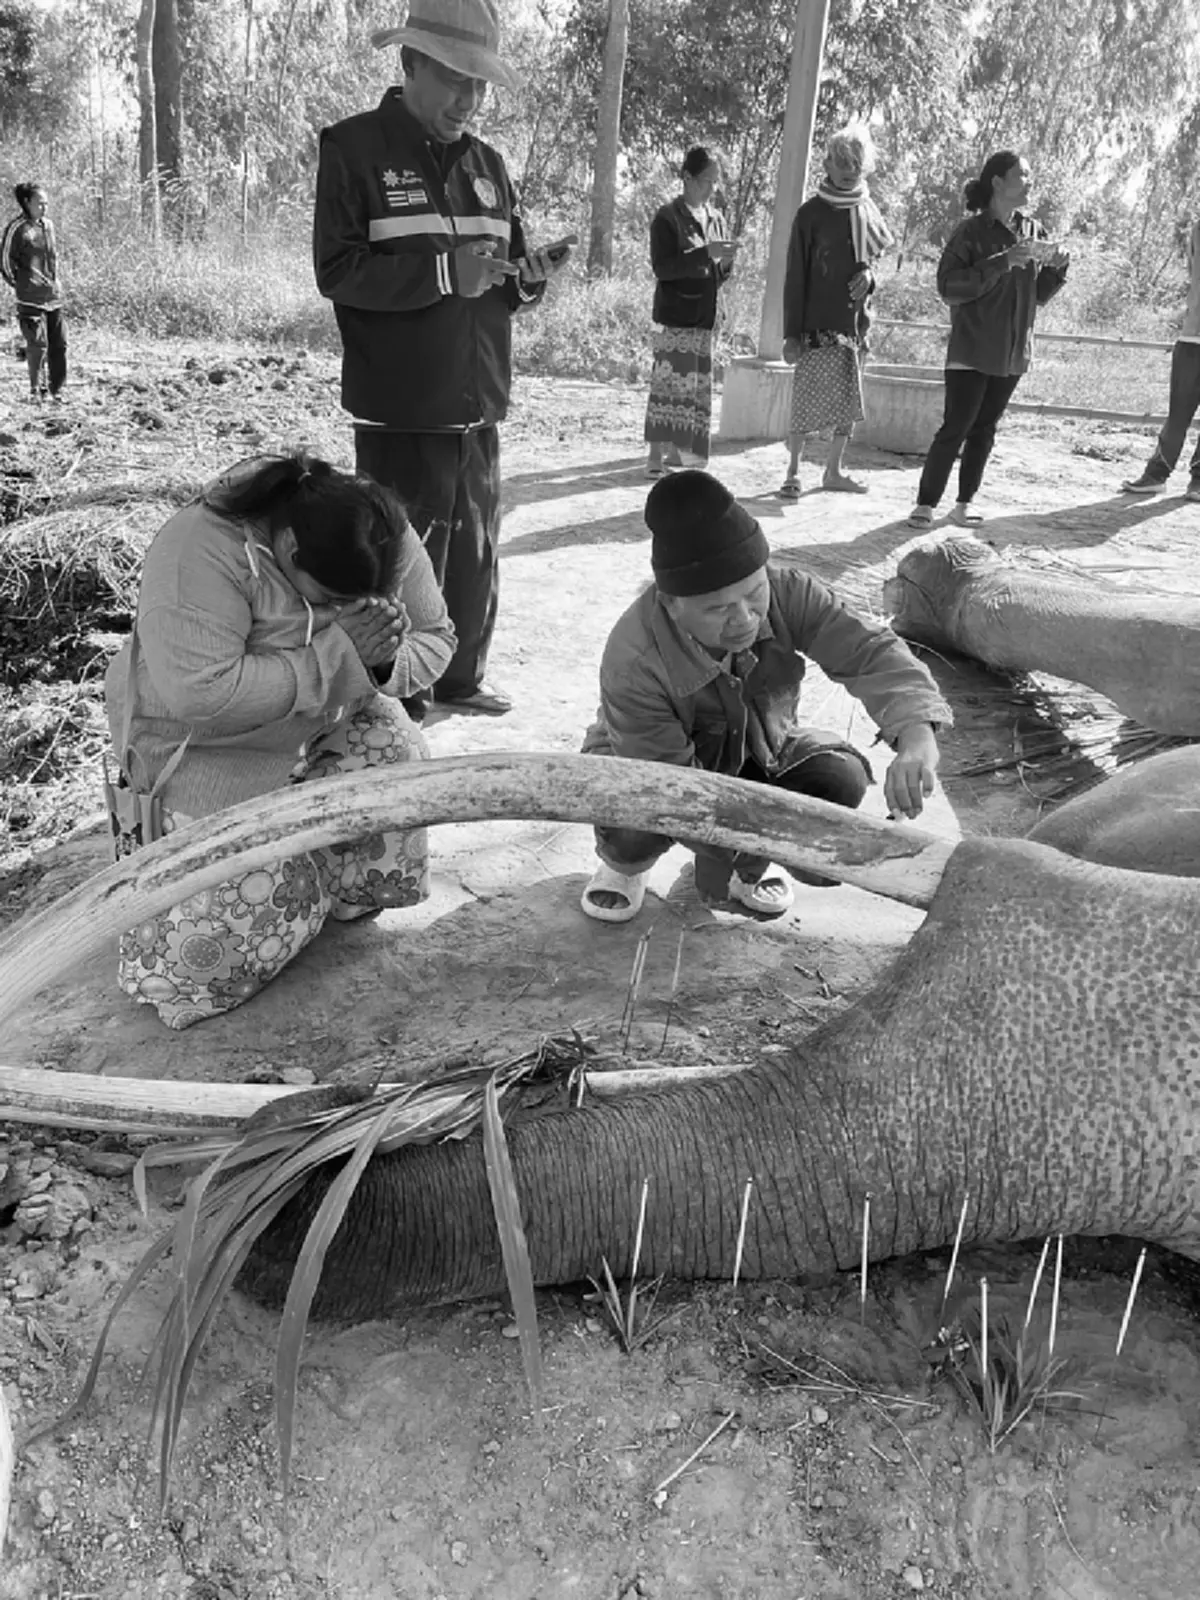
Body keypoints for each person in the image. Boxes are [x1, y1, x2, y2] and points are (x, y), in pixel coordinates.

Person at [103, 452, 456, 1031]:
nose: (348, 612)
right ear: (289, 548)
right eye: (331, 599)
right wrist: (342, 654)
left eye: (367, 601)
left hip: (321, 725)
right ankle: (290, 885)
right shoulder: (198, 548)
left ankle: (323, 884)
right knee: (202, 957)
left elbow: (436, 638)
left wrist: (384, 659)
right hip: (209, 754)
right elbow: (202, 694)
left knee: (395, 754)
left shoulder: (382, 532)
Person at [313, 0, 569, 722]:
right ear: (410, 65)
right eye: (455, 77)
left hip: (479, 396)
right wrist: (442, 275)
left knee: (478, 547)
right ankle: (406, 690)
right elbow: (337, 270)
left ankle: (461, 677)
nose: (469, 98)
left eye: (480, 84)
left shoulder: (489, 165)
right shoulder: (355, 148)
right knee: (403, 552)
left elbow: (498, 285)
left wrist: (527, 279)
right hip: (402, 402)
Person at [579, 470, 951, 923]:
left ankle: (750, 865)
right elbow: (675, 791)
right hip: (651, 765)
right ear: (671, 604)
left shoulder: (789, 590)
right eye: (717, 608)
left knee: (839, 779)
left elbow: (869, 652)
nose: (744, 619)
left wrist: (916, 735)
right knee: (633, 813)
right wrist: (735, 857)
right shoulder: (633, 660)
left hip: (760, 744)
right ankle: (624, 866)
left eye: (754, 592)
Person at [907, 152, 1069, 529]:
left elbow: (1038, 295)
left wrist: (1059, 270)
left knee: (985, 429)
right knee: (956, 427)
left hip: (1012, 352)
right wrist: (1002, 261)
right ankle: (925, 504)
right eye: (1022, 174)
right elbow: (948, 287)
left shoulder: (1034, 232)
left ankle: (965, 503)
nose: (1029, 181)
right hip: (971, 349)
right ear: (997, 181)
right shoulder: (971, 233)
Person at [778, 126, 893, 499]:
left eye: (856, 164)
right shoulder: (810, 215)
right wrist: (791, 334)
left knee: (848, 402)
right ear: (827, 162)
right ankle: (793, 471)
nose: (848, 169)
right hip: (816, 324)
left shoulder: (867, 210)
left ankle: (833, 470)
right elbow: (795, 276)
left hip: (855, 325)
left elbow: (875, 263)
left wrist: (869, 278)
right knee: (806, 398)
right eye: (842, 162)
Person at [644, 146, 738, 478]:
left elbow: (718, 274)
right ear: (687, 178)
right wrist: (705, 254)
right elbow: (664, 268)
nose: (712, 189)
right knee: (668, 385)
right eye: (706, 181)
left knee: (694, 388)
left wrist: (725, 263)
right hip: (675, 316)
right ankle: (655, 454)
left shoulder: (716, 218)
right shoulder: (667, 218)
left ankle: (682, 453)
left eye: (715, 182)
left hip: (704, 316)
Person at [1122, 219, 1200, 502]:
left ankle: (1198, 480)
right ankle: (1156, 474)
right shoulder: (1199, 228)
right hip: (1193, 336)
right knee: (1178, 414)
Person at [0, 182, 66, 402]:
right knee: (37, 345)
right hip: (30, 298)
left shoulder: (48, 226)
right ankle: (35, 391)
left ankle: (56, 391)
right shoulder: (17, 229)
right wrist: (20, 284)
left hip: (52, 296)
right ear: (27, 203)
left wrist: (55, 283)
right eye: (40, 203)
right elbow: (5, 262)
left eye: (46, 204)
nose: (44, 208)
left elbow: (53, 259)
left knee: (59, 344)